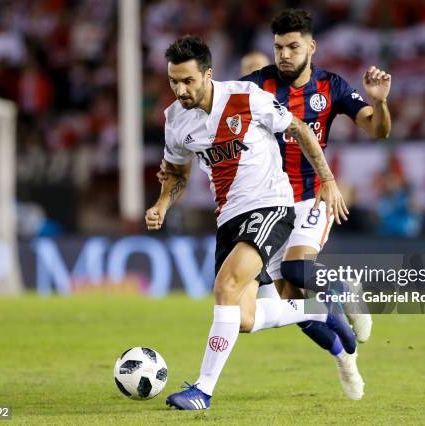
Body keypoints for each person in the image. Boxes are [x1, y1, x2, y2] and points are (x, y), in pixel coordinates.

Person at [146, 35, 357, 410]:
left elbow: (300, 129)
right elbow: (176, 173)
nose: (180, 90)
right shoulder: (175, 121)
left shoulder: (245, 97)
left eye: (188, 81)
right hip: (228, 218)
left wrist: (326, 179)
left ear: (207, 75)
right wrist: (162, 204)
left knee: (226, 287)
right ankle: (317, 309)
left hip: (270, 206)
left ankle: (202, 391)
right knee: (242, 317)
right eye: (173, 81)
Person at [240, 8, 392, 399]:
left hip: (312, 195)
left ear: (311, 46)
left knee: (296, 266)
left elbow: (378, 129)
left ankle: (343, 286)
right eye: (278, 48)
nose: (285, 55)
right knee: (288, 303)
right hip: (270, 204)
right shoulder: (259, 85)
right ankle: (344, 357)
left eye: (293, 46)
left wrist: (380, 102)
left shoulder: (333, 86)